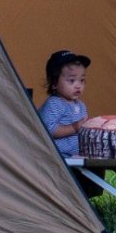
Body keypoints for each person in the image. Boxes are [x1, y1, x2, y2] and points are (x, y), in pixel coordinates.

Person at [40, 49, 95, 198]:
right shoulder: (54, 104)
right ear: (54, 84)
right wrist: (75, 127)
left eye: (82, 80)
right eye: (71, 80)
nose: (78, 85)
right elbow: (47, 130)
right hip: (59, 159)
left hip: (76, 157)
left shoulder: (81, 105)